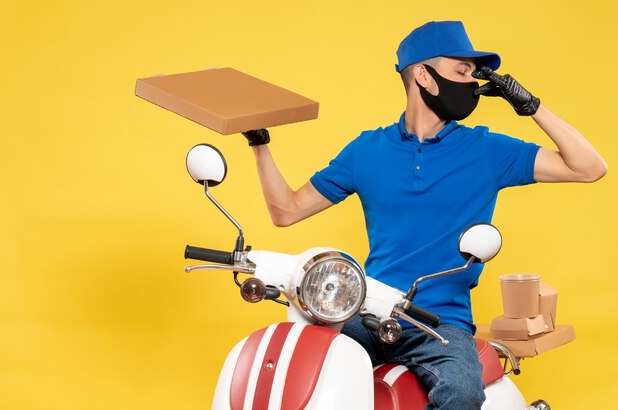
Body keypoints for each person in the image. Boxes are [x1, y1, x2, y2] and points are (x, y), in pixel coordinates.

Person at [242, 21, 607, 409]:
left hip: (439, 324)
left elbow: (589, 167)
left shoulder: (486, 150)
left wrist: (530, 106)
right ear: (423, 75)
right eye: (462, 72)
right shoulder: (367, 150)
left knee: (461, 391)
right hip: (366, 311)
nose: (473, 84)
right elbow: (286, 211)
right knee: (295, 362)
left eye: (475, 75)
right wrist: (259, 143)